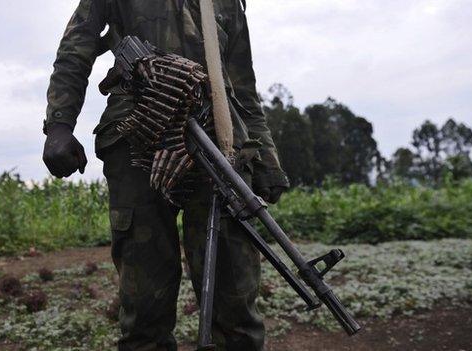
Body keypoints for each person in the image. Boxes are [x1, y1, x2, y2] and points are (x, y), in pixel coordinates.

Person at [42, 1, 289, 350]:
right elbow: (75, 48)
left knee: (234, 299)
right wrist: (59, 124)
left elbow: (243, 85)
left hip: (221, 144)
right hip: (136, 139)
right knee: (145, 304)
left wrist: (265, 158)